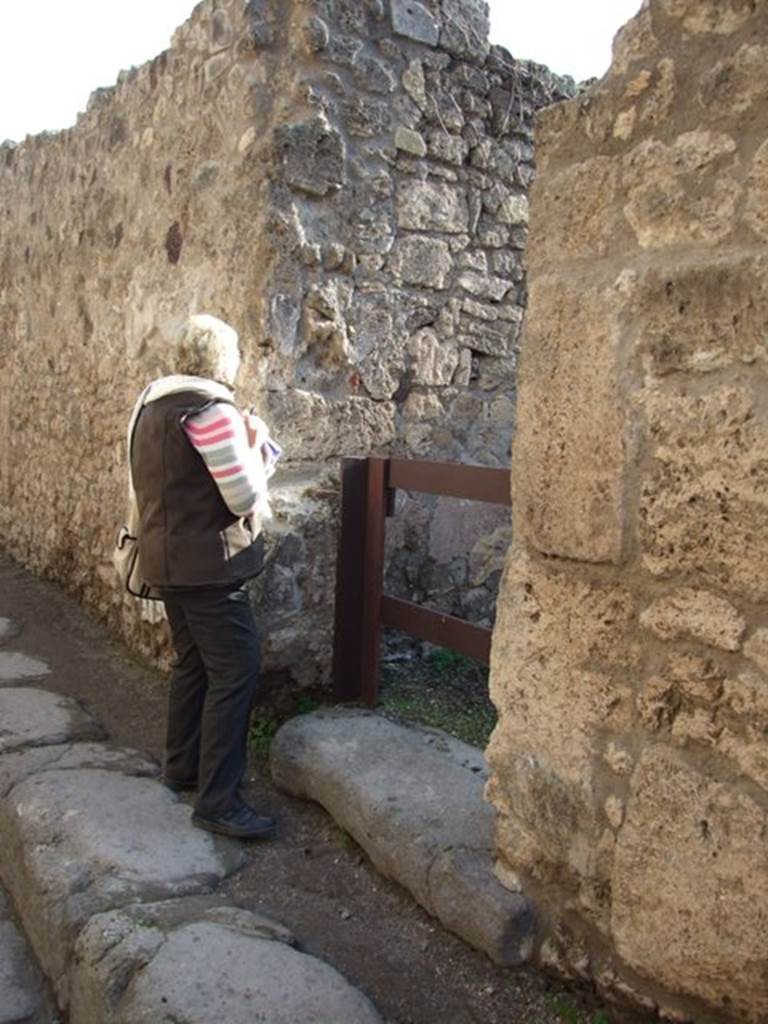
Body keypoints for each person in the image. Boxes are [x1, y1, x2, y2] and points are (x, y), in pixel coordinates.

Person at [129, 314, 279, 840]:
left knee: (192, 663)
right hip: (211, 569)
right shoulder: (212, 411)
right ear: (225, 361)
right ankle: (219, 801)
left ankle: (182, 767)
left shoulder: (149, 408)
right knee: (237, 670)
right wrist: (258, 444)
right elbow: (244, 497)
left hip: (164, 562)